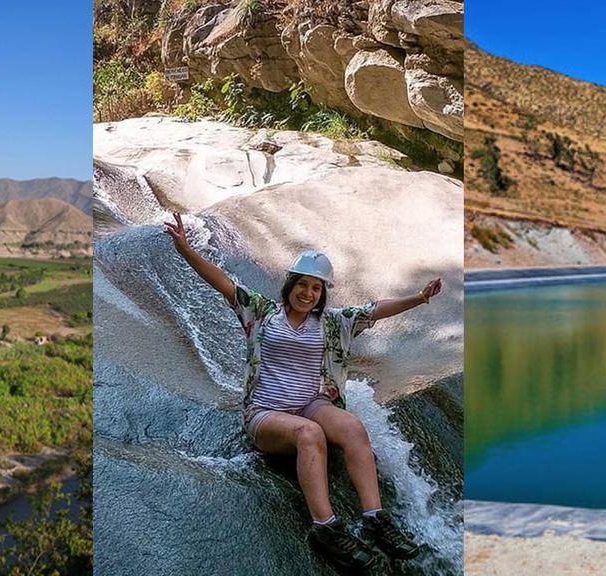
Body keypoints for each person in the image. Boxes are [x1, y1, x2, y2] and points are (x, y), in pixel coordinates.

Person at [164, 212, 442, 570]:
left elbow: (374, 310)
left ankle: (375, 519)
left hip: (312, 403)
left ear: (322, 293)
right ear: (290, 284)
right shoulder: (262, 312)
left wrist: (419, 297)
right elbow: (224, 283)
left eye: (317, 287)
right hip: (266, 415)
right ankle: (325, 527)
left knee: (354, 427)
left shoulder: (330, 323)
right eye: (303, 284)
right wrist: (185, 249)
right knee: (309, 435)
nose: (308, 293)